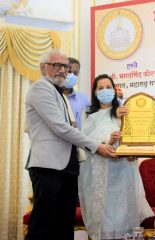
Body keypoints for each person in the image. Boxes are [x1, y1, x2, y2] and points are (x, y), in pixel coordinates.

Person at [25, 49, 117, 240]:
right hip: (48, 166)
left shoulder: (60, 94)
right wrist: (97, 146)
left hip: (68, 166)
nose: (62, 70)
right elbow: (60, 127)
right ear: (43, 68)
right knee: (43, 226)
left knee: (63, 225)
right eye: (56, 65)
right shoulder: (41, 88)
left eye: (65, 66)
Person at [78, 74, 153, 240]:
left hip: (123, 172)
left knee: (123, 218)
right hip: (99, 176)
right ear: (95, 92)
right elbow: (84, 143)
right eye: (101, 88)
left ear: (114, 90)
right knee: (105, 219)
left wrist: (134, 152)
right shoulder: (87, 114)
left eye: (108, 87)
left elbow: (133, 137)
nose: (105, 91)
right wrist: (108, 140)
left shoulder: (124, 111)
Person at [63, 57, 89, 129]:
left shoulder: (84, 98)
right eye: (69, 72)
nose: (72, 75)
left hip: (79, 138)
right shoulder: (53, 95)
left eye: (75, 73)